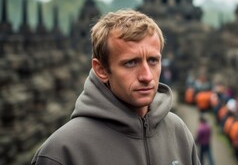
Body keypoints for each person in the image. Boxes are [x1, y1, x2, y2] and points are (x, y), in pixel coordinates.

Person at [31, 10, 200, 165]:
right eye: (130, 63)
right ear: (101, 70)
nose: (147, 76)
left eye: (153, 60)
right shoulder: (61, 152)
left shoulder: (178, 132)